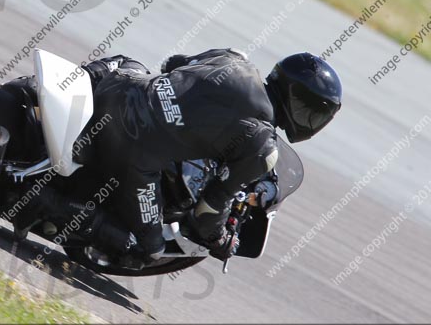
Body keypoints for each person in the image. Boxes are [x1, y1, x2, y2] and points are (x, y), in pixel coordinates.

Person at [53, 48, 342, 261]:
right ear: (297, 103)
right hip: (133, 152)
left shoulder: (235, 60)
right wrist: (222, 240)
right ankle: (52, 207)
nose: (312, 121)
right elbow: (208, 211)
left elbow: (173, 63)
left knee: (132, 63)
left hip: (116, 89)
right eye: (313, 113)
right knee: (149, 249)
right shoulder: (262, 145)